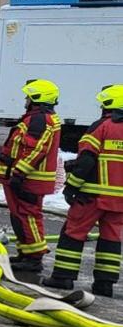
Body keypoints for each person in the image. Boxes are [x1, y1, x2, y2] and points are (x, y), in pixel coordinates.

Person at [42, 85, 123, 298]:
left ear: (107, 104)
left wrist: (72, 187)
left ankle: (63, 277)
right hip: (119, 201)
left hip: (92, 196)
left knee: (73, 233)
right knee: (111, 239)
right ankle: (104, 285)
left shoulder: (102, 127)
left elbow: (87, 160)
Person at [0, 79, 62, 273]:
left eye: (28, 96)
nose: (25, 99)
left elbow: (35, 149)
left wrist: (19, 173)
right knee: (20, 216)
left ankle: (34, 259)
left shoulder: (40, 119)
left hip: (29, 180)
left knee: (28, 216)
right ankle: (26, 253)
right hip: (26, 178)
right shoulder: (36, 118)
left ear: (37, 98)